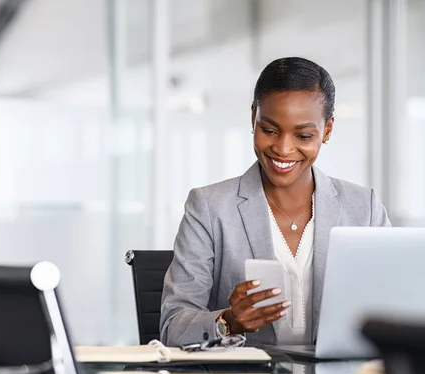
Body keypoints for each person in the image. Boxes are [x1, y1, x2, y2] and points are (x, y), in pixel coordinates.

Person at [160, 57, 391, 347]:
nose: (282, 149)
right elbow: (172, 327)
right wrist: (228, 321)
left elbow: (394, 307)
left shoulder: (364, 208)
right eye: (269, 130)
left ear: (327, 130)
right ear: (253, 117)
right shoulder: (209, 208)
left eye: (303, 135)